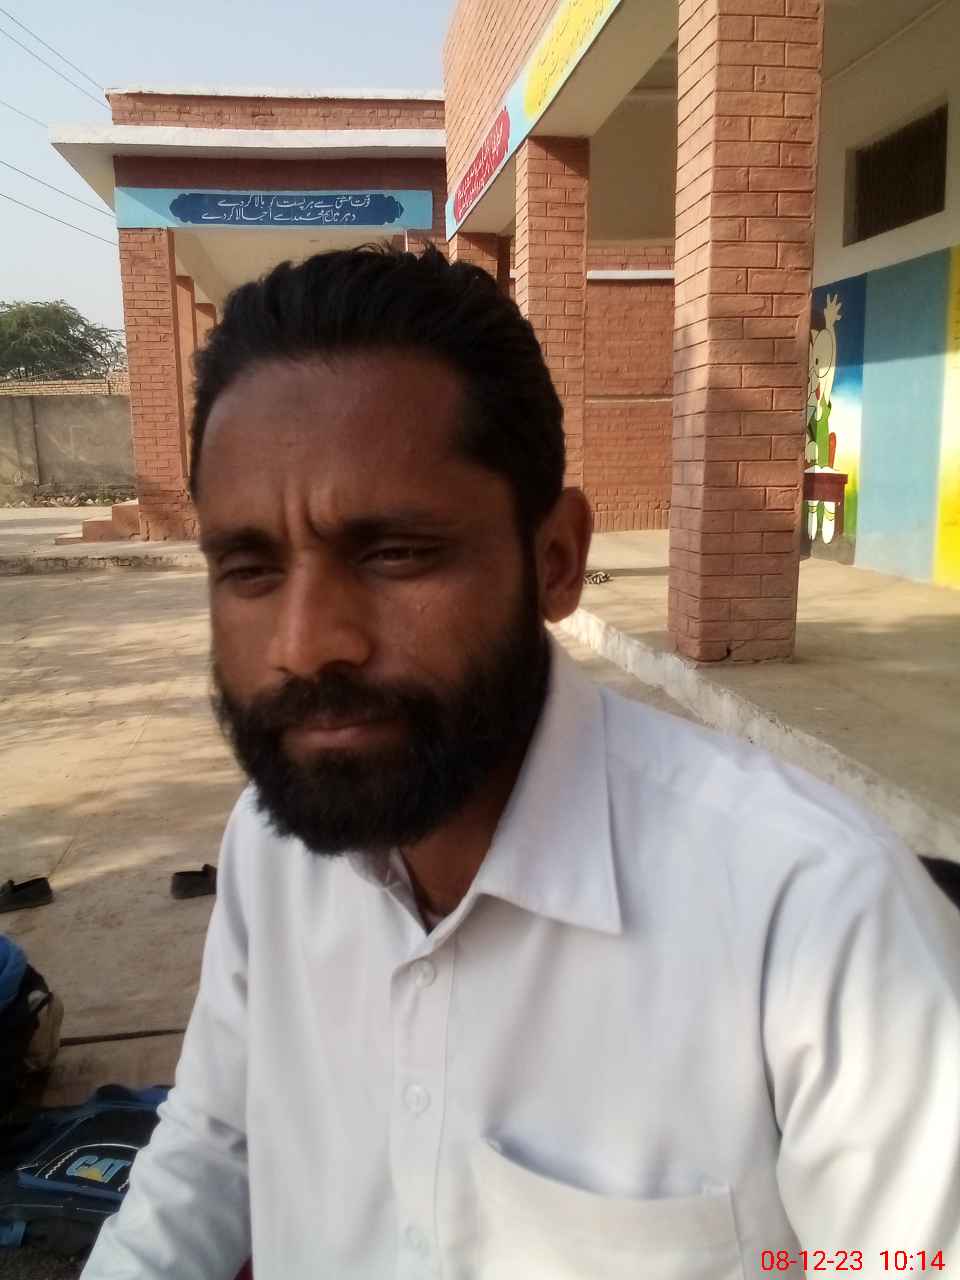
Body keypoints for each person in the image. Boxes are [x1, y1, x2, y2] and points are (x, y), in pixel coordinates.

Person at [82, 246, 960, 1280]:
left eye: (395, 553)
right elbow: (210, 1146)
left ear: (557, 559)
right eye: (249, 567)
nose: (306, 643)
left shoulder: (816, 918)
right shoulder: (271, 853)